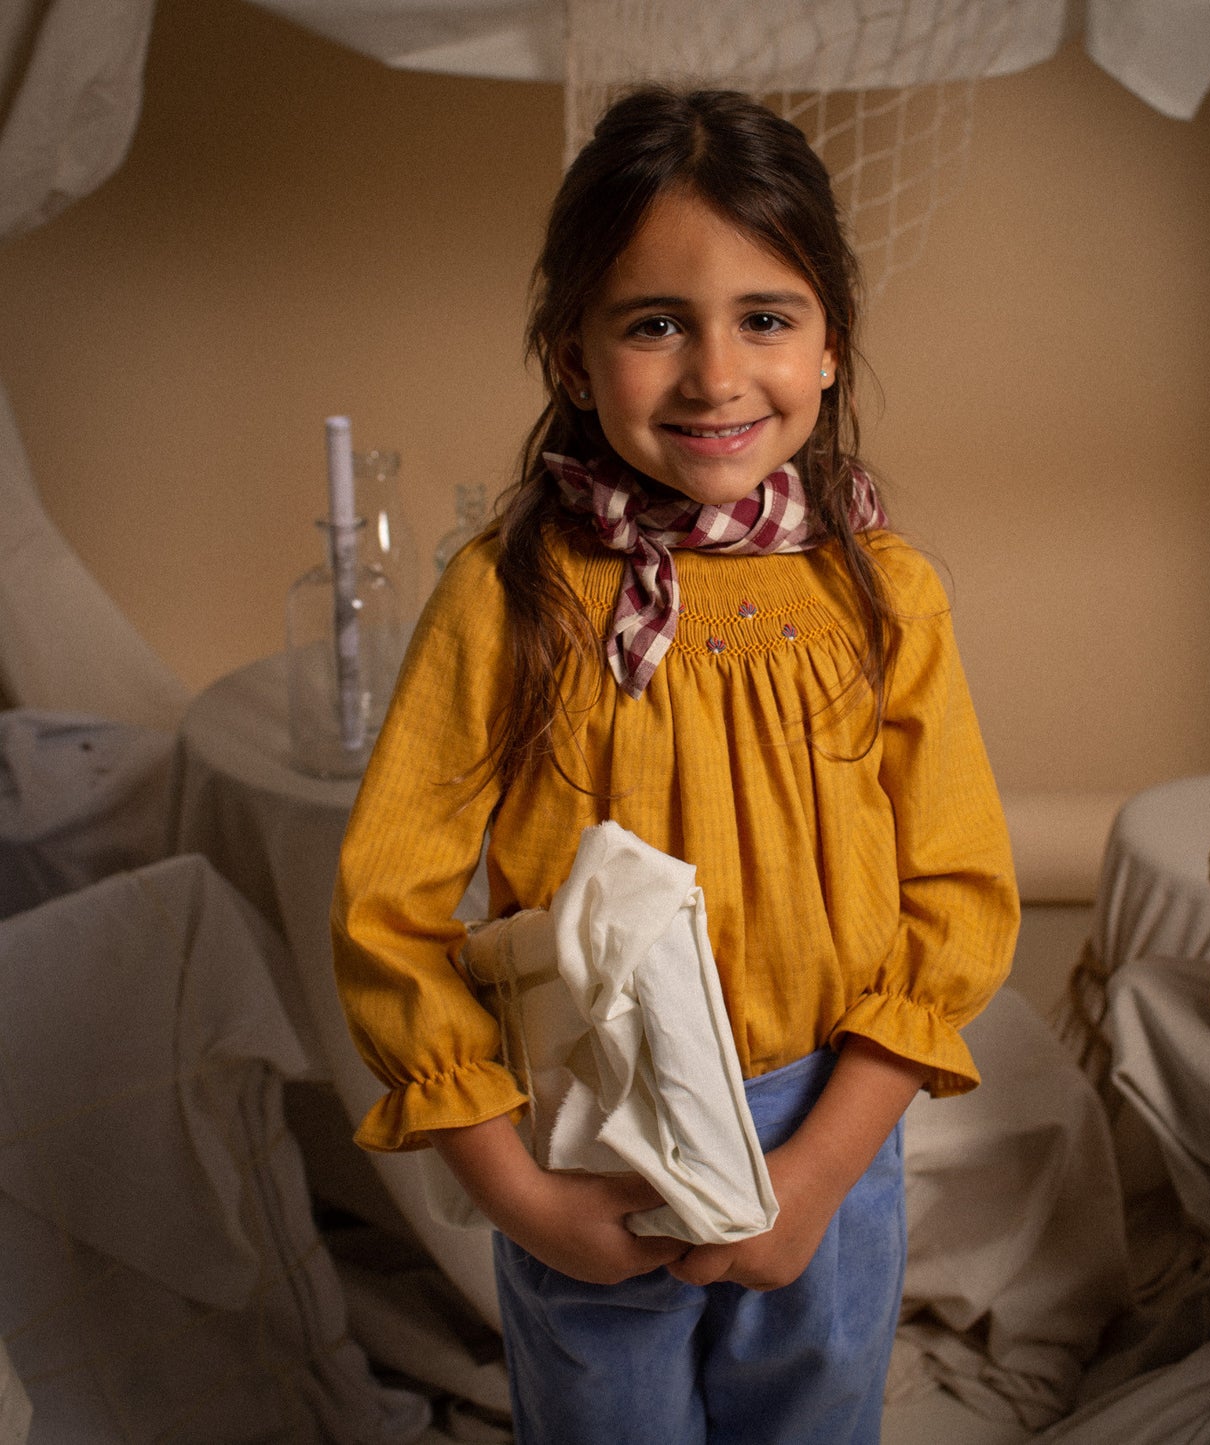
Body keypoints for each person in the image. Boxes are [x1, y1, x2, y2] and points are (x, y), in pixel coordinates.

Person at [331, 85, 1019, 1445]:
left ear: (830, 346)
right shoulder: (509, 593)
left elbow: (955, 888)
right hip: (589, 1133)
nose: (714, 375)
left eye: (765, 318)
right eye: (654, 323)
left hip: (828, 1117)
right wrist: (525, 1201)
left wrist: (819, 1171)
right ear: (572, 355)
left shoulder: (885, 594)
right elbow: (388, 908)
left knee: (807, 1420)